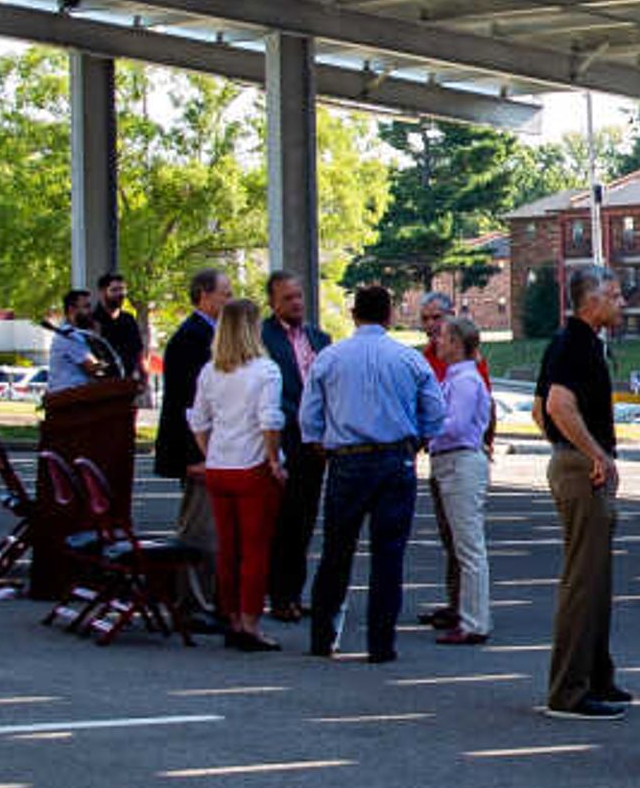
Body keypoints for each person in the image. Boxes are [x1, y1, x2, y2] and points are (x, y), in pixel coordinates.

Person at [296, 283, 444, 662]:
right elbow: (435, 410)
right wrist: (419, 440)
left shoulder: (330, 358)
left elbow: (308, 414)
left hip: (347, 458)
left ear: (354, 314)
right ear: (390, 315)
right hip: (395, 459)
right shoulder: (409, 359)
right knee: (388, 554)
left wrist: (319, 442)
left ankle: (323, 636)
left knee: (336, 552)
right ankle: (381, 641)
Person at [536, 264, 630, 718]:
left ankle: (597, 676)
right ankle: (569, 691)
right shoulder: (575, 344)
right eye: (614, 296)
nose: (622, 303)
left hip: (572, 461)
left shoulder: (569, 343)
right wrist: (594, 454)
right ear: (590, 301)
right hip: (582, 468)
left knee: (596, 580)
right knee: (583, 581)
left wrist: (567, 448)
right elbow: (556, 404)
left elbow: (539, 411)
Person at [183, 294, 282, 651]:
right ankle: (250, 623)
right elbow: (270, 420)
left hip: (219, 466)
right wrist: (273, 459)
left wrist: (210, 452)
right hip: (252, 465)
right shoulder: (265, 370)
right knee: (255, 550)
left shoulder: (210, 371)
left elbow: (198, 419)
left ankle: (231, 617)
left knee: (228, 548)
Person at [154, 269, 225, 627]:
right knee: (198, 530)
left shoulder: (206, 335)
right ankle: (192, 604)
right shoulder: (192, 338)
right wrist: (196, 456)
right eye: (223, 294)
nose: (227, 301)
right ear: (203, 295)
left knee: (209, 530)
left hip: (207, 448)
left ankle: (204, 599)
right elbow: (189, 404)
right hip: (196, 451)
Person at [260, 274, 330, 624]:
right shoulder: (263, 338)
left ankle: (294, 592)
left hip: (315, 445)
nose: (296, 304)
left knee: (304, 522)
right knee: (282, 523)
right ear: (273, 303)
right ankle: (279, 595)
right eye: (288, 298)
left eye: (299, 296)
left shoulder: (319, 338)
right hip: (284, 440)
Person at [422, 313, 496, 646]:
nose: (436, 341)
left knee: (468, 546)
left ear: (455, 343)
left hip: (459, 462)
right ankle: (469, 616)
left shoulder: (464, 381)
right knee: (464, 544)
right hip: (453, 462)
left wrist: (426, 430)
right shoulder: (457, 377)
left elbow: (455, 425)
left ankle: (474, 621)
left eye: (442, 337)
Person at [37, 289, 110, 395]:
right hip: (69, 399)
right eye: (86, 307)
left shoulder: (74, 334)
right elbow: (93, 369)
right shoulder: (70, 336)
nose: (90, 312)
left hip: (72, 397)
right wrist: (110, 363)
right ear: (72, 309)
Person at [94, 271, 147, 406]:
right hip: (101, 388)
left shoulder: (128, 319)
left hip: (127, 386)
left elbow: (139, 351)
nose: (120, 294)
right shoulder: (93, 321)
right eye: (114, 290)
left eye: (123, 289)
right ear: (102, 292)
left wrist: (143, 376)